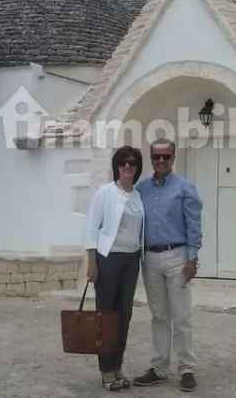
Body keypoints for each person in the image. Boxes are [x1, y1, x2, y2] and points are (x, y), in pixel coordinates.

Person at [133, 139, 203, 393]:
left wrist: (192, 259)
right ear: (151, 158)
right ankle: (159, 368)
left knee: (182, 316)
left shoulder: (185, 188)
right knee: (159, 316)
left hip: (178, 256)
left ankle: (186, 368)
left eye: (166, 156)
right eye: (156, 157)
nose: (161, 161)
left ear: (174, 157)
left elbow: (194, 225)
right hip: (149, 258)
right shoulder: (141, 189)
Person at [84, 145, 145, 391]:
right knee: (106, 315)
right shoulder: (105, 192)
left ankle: (117, 364)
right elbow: (91, 227)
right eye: (123, 163)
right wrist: (91, 262)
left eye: (132, 163)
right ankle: (106, 370)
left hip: (132, 261)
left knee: (124, 315)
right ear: (117, 167)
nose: (128, 167)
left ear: (137, 168)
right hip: (108, 259)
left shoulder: (138, 195)